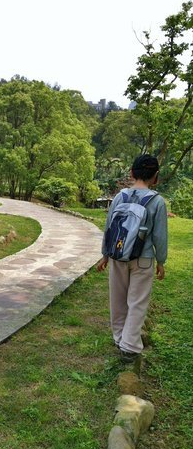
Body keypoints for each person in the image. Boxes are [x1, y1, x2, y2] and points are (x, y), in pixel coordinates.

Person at [97, 154, 168, 363]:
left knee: (117, 299)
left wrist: (105, 255)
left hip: (118, 255)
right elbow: (160, 236)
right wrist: (161, 261)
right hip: (143, 259)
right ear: (155, 177)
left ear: (131, 173)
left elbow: (109, 227)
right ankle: (129, 346)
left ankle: (119, 337)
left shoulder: (120, 197)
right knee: (137, 302)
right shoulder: (157, 201)